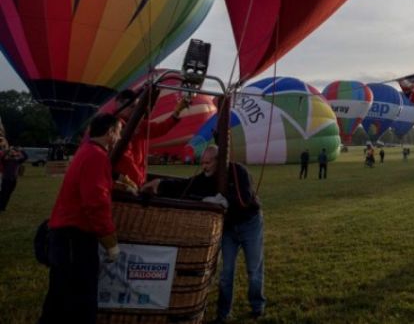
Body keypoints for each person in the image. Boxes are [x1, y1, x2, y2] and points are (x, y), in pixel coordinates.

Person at [142, 146, 265, 321]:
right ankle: (223, 314)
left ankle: (257, 306)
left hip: (249, 224)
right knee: (226, 273)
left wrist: (226, 200)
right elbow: (186, 185)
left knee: (254, 270)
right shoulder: (205, 178)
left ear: (219, 160)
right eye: (202, 163)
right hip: (229, 228)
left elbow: (244, 197)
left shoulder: (239, 171)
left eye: (208, 163)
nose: (204, 166)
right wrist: (160, 184)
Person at [40, 113, 121, 323]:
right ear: (110, 133)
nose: (119, 138)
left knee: (59, 295)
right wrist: (109, 240)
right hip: (75, 238)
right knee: (80, 297)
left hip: (65, 236)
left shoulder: (85, 151)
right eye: (118, 133)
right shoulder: (97, 156)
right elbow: (96, 202)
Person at [105, 89, 191, 187]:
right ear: (119, 105)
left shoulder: (139, 124)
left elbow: (160, 128)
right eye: (132, 106)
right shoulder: (115, 127)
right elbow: (125, 160)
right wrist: (138, 181)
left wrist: (177, 112)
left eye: (137, 107)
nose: (135, 110)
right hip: (124, 181)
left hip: (135, 177)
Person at [0, 145, 27, 211]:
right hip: (6, 179)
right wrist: (8, 150)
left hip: (13, 179)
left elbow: (25, 157)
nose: (13, 152)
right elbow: (3, 156)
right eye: (12, 152)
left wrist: (20, 150)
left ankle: (3, 207)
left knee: (8, 193)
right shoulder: (6, 160)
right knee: (3, 193)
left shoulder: (17, 160)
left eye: (14, 151)